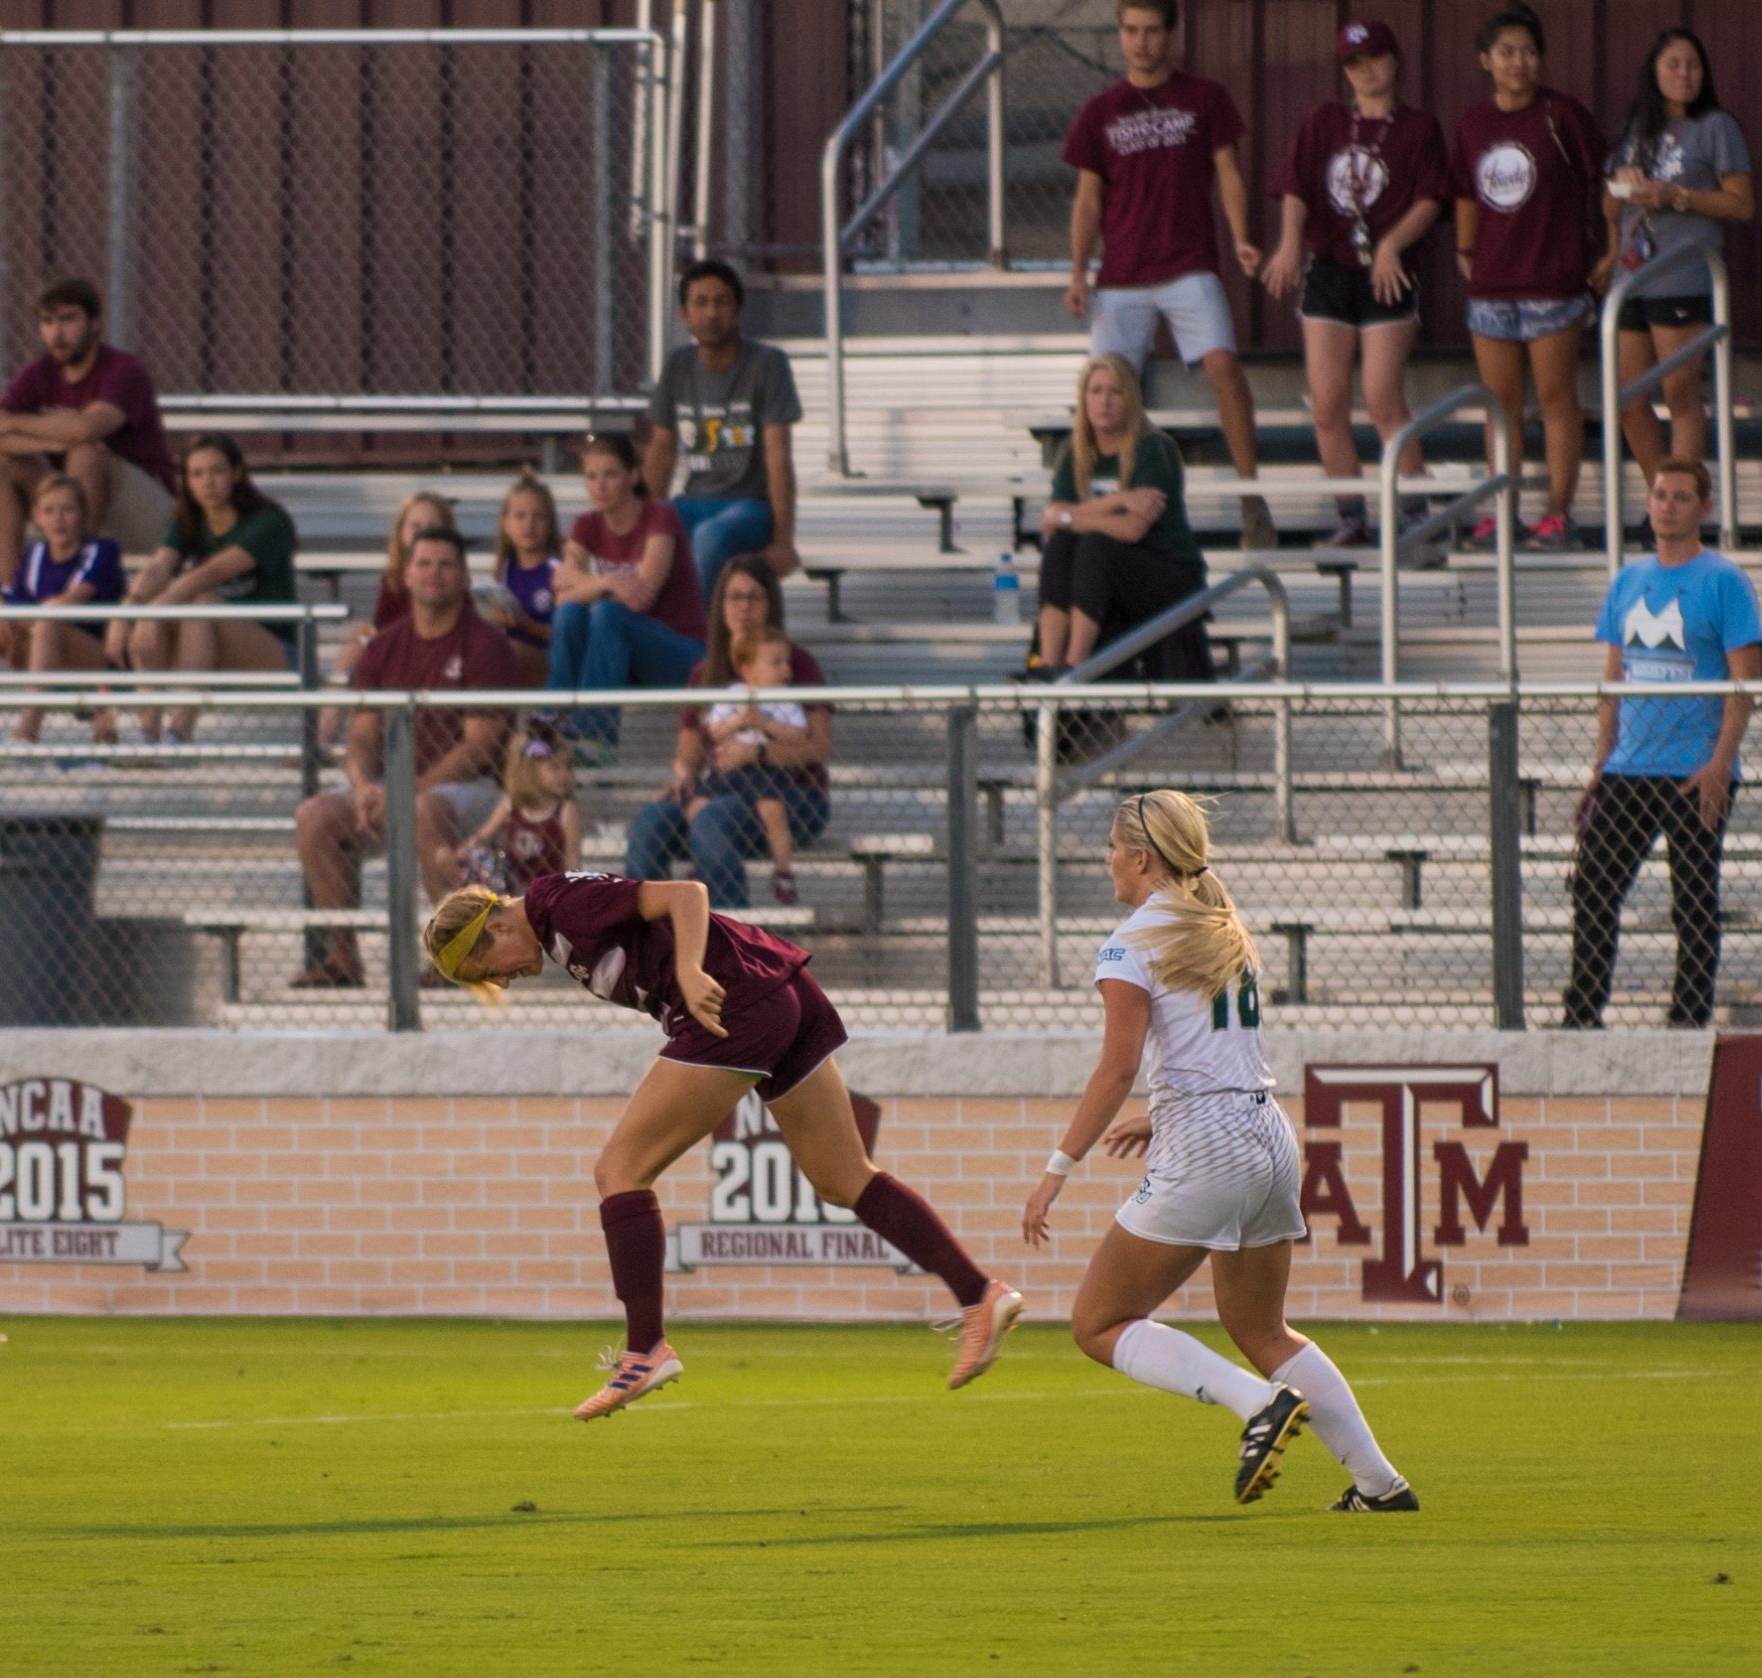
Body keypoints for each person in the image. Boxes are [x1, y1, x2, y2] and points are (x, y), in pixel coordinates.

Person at [423, 873, 1024, 1419]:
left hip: (735, 1004)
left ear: (496, 927)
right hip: (778, 991)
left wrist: (688, 969)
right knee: (843, 1177)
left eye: (490, 969)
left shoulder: (562, 905)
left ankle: (644, 1349)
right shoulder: (558, 923)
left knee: (619, 1170)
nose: (503, 980)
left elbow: (686, 892)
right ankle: (979, 1294)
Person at [1021, 789, 1417, 1512]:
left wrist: (1058, 1168)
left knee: (1098, 1322)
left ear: (1139, 857)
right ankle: (1380, 1486)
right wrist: (1160, 1112)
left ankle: (1260, 1406)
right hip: (1266, 1131)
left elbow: (1116, 1069)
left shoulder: (1131, 940)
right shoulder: (1218, 920)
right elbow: (1208, 1048)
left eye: (1112, 848)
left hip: (1207, 1146)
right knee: (1263, 1327)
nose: (1107, 860)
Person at [1061, 0, 1272, 550]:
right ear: (1119, 34)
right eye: (1130, 31)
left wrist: (1242, 237)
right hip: (1122, 274)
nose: (1141, 42)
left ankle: (1252, 499)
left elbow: (1229, 173)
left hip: (1188, 263)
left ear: (1171, 35)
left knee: (1223, 365)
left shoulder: (1205, 98)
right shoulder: (1099, 110)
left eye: (1152, 31)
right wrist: (1079, 272)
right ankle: (1096, 503)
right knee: (1103, 388)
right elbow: (1087, 199)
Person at [1564, 458, 1762, 1031]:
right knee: (1594, 888)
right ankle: (1581, 1015)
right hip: (1630, 769)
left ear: (1703, 509)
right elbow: (1613, 681)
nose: (1667, 505)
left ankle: (1687, 1021)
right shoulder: (1627, 582)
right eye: (1659, 494)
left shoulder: (1725, 583)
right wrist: (1601, 764)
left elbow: (1744, 682)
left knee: (1694, 903)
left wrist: (1720, 764)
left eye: (1680, 497)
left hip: (1693, 770)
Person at [292, 528, 518, 989]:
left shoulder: (486, 645)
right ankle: (343, 958)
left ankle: (457, 958)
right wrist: (360, 788)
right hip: (399, 788)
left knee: (424, 808)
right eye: (424, 563)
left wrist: (404, 790)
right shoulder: (384, 646)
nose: (434, 573)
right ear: (406, 574)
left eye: (446, 564)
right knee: (315, 815)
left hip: (476, 795)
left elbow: (479, 748)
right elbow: (361, 736)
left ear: (464, 578)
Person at [1259, 20, 1449, 549]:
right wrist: (1290, 242)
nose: (1366, 71)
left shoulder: (1418, 128)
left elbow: (1430, 199)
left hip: (1386, 271)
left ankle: (1416, 511)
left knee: (1382, 396)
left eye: (1374, 58)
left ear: (1395, 61)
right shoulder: (1325, 121)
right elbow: (1296, 186)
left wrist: (1391, 244)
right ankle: (1351, 515)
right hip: (1330, 267)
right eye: (1354, 63)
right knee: (1327, 400)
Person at [1452, 5, 1605, 552]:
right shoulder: (1473, 123)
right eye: (1508, 52)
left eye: (1529, 52)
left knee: (1557, 399)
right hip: (1492, 288)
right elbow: (1465, 191)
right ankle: (1501, 513)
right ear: (1485, 61)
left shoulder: (1561, 114)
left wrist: (1607, 254)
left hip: (1553, 282)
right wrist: (1466, 249)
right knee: (1501, 403)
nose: (1520, 63)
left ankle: (1558, 516)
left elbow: (1603, 182)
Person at [626, 555, 833, 909]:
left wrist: (757, 753)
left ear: (772, 604)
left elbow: (820, 746)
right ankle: (653, 945)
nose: (744, 607)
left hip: (791, 797)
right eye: (734, 597)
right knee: (649, 827)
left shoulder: (795, 664)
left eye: (755, 597)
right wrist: (685, 773)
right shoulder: (705, 673)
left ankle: (729, 949)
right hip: (721, 787)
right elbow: (690, 748)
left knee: (711, 822)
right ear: (720, 605)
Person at [1601, 29, 1753, 500]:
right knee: (1627, 401)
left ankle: (1686, 506)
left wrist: (1677, 196)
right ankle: (1662, 502)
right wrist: (1619, 187)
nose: (1684, 74)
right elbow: (1612, 211)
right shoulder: (1635, 130)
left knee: (1680, 395)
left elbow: (1742, 204)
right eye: (1674, 64)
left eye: (1693, 65)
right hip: (1632, 279)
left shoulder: (1716, 126)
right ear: (1654, 72)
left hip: (1682, 278)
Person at [0, 276, 177, 586]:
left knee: (86, 456)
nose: (56, 333)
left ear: (94, 324)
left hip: (146, 513)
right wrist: (62, 437)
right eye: (47, 322)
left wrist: (16, 422)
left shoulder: (124, 370)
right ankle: (12, 591)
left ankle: (74, 581)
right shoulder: (39, 372)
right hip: (76, 503)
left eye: (67, 319)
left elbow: (87, 427)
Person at [105, 434, 299, 745]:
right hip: (208, 646)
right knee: (166, 599)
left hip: (274, 653)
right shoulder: (188, 521)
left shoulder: (269, 522)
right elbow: (158, 568)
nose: (207, 482)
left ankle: (179, 732)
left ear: (236, 473)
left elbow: (211, 573)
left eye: (217, 472)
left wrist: (152, 611)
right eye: (196, 474)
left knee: (200, 599)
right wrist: (127, 612)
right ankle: (148, 732)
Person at [1034, 355, 1212, 682]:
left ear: (1131, 399)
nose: (1104, 401)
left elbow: (1131, 529)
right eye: (1096, 391)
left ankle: (1074, 669)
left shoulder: (1155, 450)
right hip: (1108, 576)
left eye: (1115, 392)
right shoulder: (1073, 451)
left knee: (1093, 546)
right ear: (1084, 399)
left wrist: (1069, 516)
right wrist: (1117, 500)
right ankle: (1049, 665)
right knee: (1060, 547)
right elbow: (1052, 522)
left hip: (1167, 571)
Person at [642, 259, 802, 594]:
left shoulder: (767, 364)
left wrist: (784, 541)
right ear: (684, 315)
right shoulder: (677, 365)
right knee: (655, 532)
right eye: (701, 303)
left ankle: (703, 643)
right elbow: (661, 449)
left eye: (721, 302)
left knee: (710, 538)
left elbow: (778, 454)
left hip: (749, 506)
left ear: (739, 311)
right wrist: (642, 521)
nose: (712, 312)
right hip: (692, 500)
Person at [548, 433, 706, 760]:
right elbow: (562, 598)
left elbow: (639, 600)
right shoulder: (586, 524)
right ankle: (552, 729)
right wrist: (607, 581)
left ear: (632, 476)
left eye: (610, 475)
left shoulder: (661, 517)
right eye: (592, 477)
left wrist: (588, 584)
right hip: (618, 655)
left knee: (608, 614)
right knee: (570, 616)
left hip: (681, 654)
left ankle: (596, 742)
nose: (600, 486)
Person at [0, 474, 125, 747]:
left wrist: (11, 618)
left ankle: (26, 733)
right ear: (36, 515)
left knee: (46, 623)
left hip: (99, 659)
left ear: (82, 514)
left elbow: (70, 601)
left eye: (68, 510)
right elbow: (15, 601)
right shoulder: (34, 554)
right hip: (44, 651)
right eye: (49, 510)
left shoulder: (102, 550)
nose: (58, 519)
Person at [322, 493, 460, 747]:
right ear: (401, 533)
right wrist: (368, 633)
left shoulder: (452, 580)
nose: (423, 532)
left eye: (432, 527)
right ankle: (322, 739)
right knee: (354, 646)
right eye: (415, 526)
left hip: (436, 654)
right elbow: (384, 630)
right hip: (396, 653)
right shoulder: (392, 579)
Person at [691, 628, 811, 906]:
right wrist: (739, 721)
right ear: (748, 671)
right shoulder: (734, 694)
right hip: (729, 769)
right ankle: (701, 862)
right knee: (696, 807)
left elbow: (800, 735)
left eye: (787, 662)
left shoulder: (786, 698)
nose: (786, 669)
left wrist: (764, 724)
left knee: (773, 810)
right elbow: (713, 730)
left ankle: (783, 872)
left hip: (765, 770)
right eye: (775, 662)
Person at [438, 728, 581, 896]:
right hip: (512, 886)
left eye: (568, 767)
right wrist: (458, 855)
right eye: (554, 768)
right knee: (456, 856)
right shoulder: (511, 805)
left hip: (548, 891)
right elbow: (483, 836)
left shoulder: (565, 810)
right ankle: (466, 908)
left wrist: (574, 893)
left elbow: (572, 857)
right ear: (530, 771)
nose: (563, 775)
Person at [479, 471, 561, 686]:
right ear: (505, 524)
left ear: (551, 524)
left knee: (505, 650)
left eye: (539, 517)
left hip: (552, 664)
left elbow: (570, 638)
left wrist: (527, 625)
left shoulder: (558, 571)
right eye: (520, 516)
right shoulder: (504, 571)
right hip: (510, 662)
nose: (529, 525)